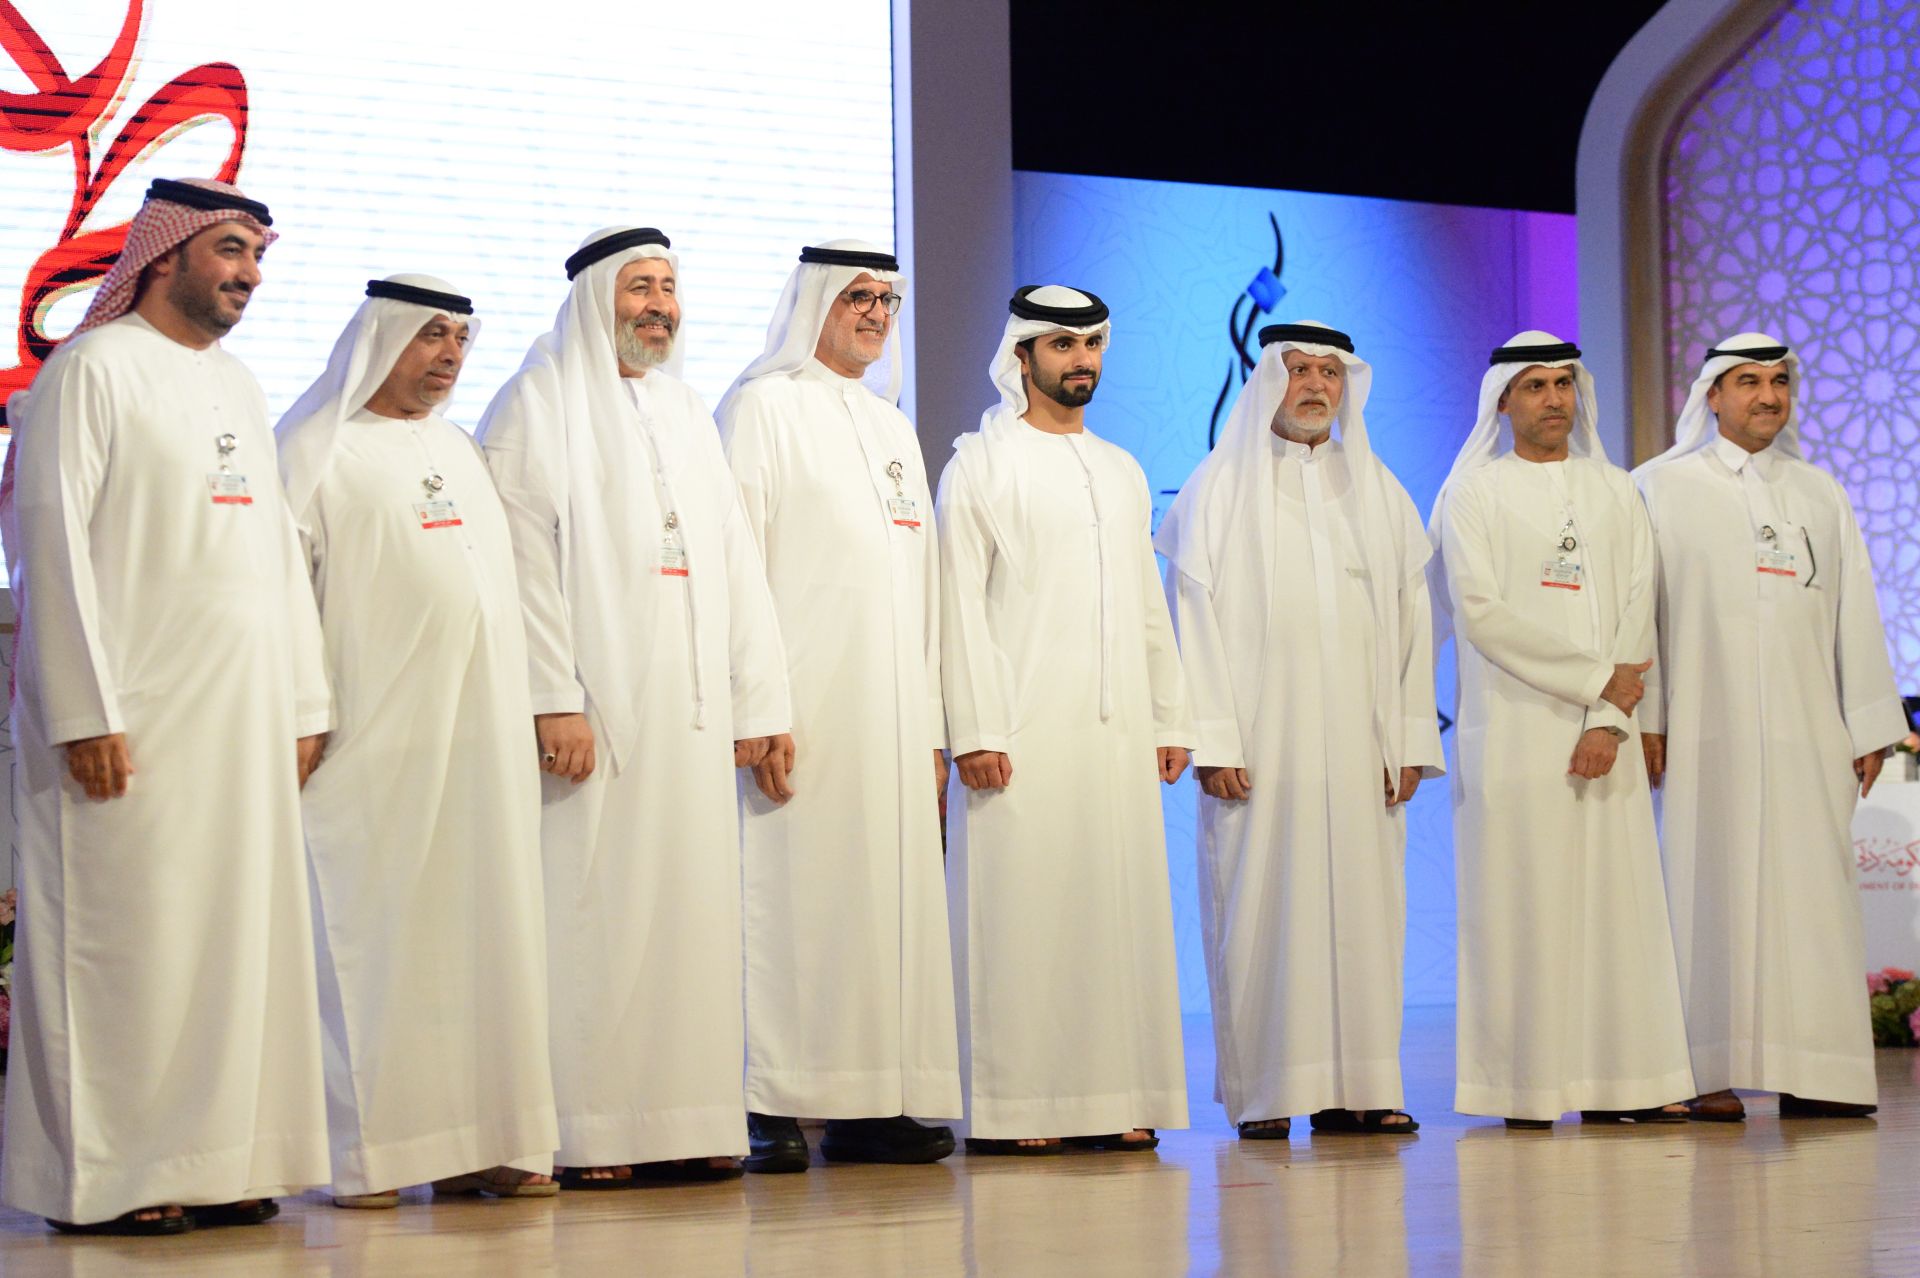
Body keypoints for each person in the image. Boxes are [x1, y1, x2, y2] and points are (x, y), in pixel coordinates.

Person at [0, 178, 330, 1233]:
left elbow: (273, 556)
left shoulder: (238, 384)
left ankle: (218, 1160)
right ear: (165, 254)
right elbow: (47, 539)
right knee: (127, 948)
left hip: (240, 726)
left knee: (229, 944)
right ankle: (112, 1180)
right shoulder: (91, 370)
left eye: (258, 256)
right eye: (230, 250)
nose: (249, 275)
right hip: (129, 723)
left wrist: (303, 701)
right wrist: (81, 710)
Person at [481, 228, 791, 1185]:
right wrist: (552, 698)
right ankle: (592, 1134)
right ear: (595, 300)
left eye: (667, 287)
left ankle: (686, 1122)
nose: (659, 305)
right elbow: (521, 565)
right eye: (639, 287)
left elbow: (735, 558)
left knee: (691, 918)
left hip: (690, 716)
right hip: (596, 712)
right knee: (593, 918)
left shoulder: (688, 409)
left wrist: (758, 698)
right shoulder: (536, 403)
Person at [277, 275, 560, 1206]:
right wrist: (305, 711)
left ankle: (489, 1142)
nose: (449, 356)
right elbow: (281, 599)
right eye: (430, 335)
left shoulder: (459, 447)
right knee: (375, 944)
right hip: (371, 739)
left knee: (484, 939)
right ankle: (371, 1157)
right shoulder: (314, 448)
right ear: (379, 338)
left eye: (460, 340)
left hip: (480, 739)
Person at [1156, 321, 1441, 1139]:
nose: (1316, 385)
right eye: (1299, 370)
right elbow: (1191, 618)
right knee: (1261, 913)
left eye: (1329, 372)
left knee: (1366, 915)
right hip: (1260, 749)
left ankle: (1363, 1088)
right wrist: (1214, 738)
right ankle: (1269, 1092)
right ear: (1267, 383)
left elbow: (1414, 622)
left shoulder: (1380, 491)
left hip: (1362, 749)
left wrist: (1411, 737)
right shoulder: (1219, 487)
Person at [717, 242, 960, 1171]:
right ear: (812, 302)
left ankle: (870, 1102)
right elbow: (738, 566)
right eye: (858, 296)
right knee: (791, 902)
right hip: (801, 710)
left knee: (882, 911)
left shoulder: (893, 426)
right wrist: (758, 704)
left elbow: (924, 593)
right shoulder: (760, 408)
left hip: (891, 722)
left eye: (888, 299)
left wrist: (931, 728)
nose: (876, 314)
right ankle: (768, 1101)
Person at [939, 285, 1193, 1155]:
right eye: (1061, 345)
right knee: (1023, 918)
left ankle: (1113, 1096)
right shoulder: (981, 463)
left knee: (1113, 915)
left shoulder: (1121, 469)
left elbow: (1147, 603)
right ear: (1022, 356)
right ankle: (1017, 1110)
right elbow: (958, 605)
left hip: (1115, 735)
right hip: (1020, 731)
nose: (1080, 360)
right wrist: (977, 728)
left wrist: (1169, 715)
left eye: (1091, 345)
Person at [1634, 332, 1906, 1121]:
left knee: (1811, 897)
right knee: (1702, 890)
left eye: (1779, 382)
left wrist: (1868, 722)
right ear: (1713, 395)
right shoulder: (1659, 487)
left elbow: (1855, 611)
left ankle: (1817, 1072)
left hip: (1806, 733)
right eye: (1749, 381)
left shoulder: (1820, 492)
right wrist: (1648, 718)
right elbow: (1638, 614)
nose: (1767, 396)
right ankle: (1704, 1070)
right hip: (1701, 733)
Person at [1429, 331, 1693, 1128]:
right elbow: (1480, 614)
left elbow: (1639, 607)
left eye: (1563, 384)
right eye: (1535, 386)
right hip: (1514, 731)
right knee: (1524, 907)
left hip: (1609, 731)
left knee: (1618, 909)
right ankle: (1526, 1088)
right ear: (1503, 401)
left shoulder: (1616, 489)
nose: (1553, 400)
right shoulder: (1472, 494)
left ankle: (1625, 1083)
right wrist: (1592, 682)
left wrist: (1609, 716)